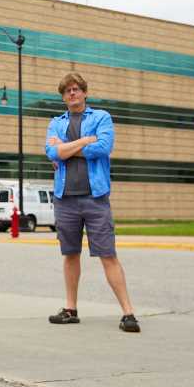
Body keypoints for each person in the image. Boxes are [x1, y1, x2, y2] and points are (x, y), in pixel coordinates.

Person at [44, 72, 141, 333]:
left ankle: (128, 313)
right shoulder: (56, 122)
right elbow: (52, 152)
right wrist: (85, 141)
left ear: (85, 92)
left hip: (95, 197)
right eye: (67, 91)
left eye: (76, 89)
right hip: (65, 199)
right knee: (70, 254)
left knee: (108, 255)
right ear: (63, 97)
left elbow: (103, 147)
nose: (72, 94)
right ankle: (70, 309)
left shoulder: (101, 118)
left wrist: (67, 148)